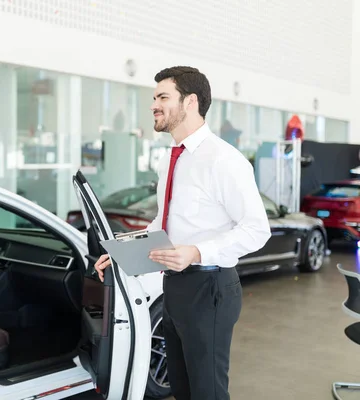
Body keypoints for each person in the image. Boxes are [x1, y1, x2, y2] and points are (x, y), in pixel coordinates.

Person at [94, 66, 271, 400]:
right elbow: (163, 223)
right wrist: (120, 251)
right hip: (174, 286)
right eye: (154, 98)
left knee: (208, 391)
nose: (153, 105)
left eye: (163, 97)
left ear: (190, 102)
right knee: (181, 387)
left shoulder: (224, 160)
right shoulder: (171, 158)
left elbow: (257, 229)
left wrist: (197, 251)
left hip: (210, 287)